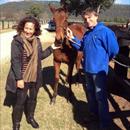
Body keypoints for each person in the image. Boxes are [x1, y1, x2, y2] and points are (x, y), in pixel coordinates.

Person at [4, 16, 60, 130]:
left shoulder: (37, 41)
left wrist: (51, 48)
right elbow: (15, 61)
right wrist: (19, 79)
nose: (28, 31)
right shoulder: (17, 41)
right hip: (23, 77)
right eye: (26, 28)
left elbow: (40, 56)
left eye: (31, 29)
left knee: (33, 99)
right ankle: (16, 124)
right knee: (20, 101)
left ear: (35, 30)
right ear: (22, 28)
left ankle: (30, 118)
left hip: (35, 76)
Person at [66, 8, 119, 130]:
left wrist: (105, 59)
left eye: (90, 17)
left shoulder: (105, 32)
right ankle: (93, 115)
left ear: (96, 16)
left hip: (99, 71)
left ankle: (104, 124)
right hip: (87, 70)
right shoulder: (88, 33)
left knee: (100, 97)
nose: (87, 20)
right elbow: (81, 46)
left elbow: (114, 50)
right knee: (91, 94)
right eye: (85, 19)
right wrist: (72, 38)